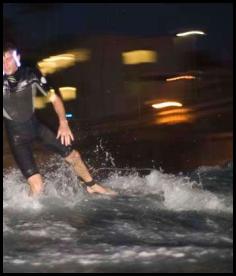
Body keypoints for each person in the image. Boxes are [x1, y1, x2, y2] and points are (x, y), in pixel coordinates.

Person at [3, 42, 116, 197]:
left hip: (36, 128)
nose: (5, 63)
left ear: (17, 58)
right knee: (37, 187)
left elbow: (55, 99)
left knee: (74, 156)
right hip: (17, 138)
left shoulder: (31, 74)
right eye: (1, 60)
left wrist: (63, 123)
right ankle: (25, 216)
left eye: (8, 58)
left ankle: (91, 185)